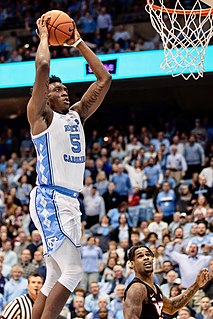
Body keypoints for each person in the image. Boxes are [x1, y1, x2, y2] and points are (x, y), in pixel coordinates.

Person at [27, 13, 111, 319]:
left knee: (53, 275)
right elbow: (43, 67)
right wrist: (46, 37)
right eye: (57, 90)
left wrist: (76, 41)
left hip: (69, 201)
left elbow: (104, 79)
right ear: (44, 97)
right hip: (50, 198)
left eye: (66, 91)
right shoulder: (40, 116)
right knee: (74, 271)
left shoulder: (76, 116)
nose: (65, 93)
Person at [123, 244, 212, 319]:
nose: (146, 258)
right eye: (140, 256)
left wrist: (197, 284)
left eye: (148, 255)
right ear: (132, 263)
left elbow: (172, 307)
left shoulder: (155, 287)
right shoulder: (137, 288)